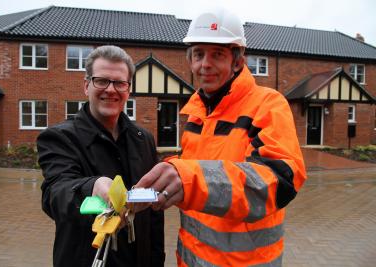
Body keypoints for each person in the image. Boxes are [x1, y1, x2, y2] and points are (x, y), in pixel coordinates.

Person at [136, 8, 307, 267]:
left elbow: (279, 181)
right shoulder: (196, 112)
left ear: (237, 61)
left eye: (217, 54)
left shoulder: (267, 104)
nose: (205, 64)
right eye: (198, 54)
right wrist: (168, 175)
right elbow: (200, 164)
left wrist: (188, 179)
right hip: (190, 259)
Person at [37, 45, 165, 267]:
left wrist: (156, 259)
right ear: (86, 86)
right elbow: (55, 196)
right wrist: (92, 186)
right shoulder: (59, 137)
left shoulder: (144, 139)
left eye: (119, 83)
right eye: (101, 81)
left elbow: (154, 215)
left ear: (129, 89)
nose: (111, 90)